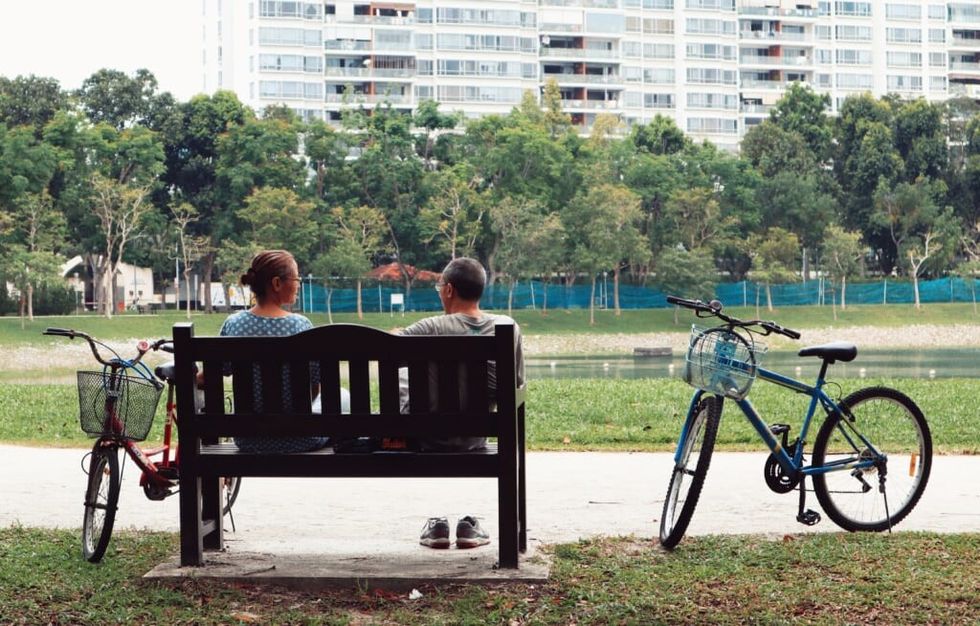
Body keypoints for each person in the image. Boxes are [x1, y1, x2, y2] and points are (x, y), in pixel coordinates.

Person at [401, 257, 525, 550]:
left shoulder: (429, 327)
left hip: (424, 437)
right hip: (474, 437)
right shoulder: (507, 327)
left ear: (448, 290)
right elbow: (516, 386)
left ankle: (435, 530)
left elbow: (384, 349)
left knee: (404, 376)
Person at [214, 249, 334, 454]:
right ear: (277, 283)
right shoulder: (301, 326)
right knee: (343, 396)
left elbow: (213, 374)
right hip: (301, 439)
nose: (298, 284)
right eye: (296, 278)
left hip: (248, 439)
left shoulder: (234, 324)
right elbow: (315, 387)